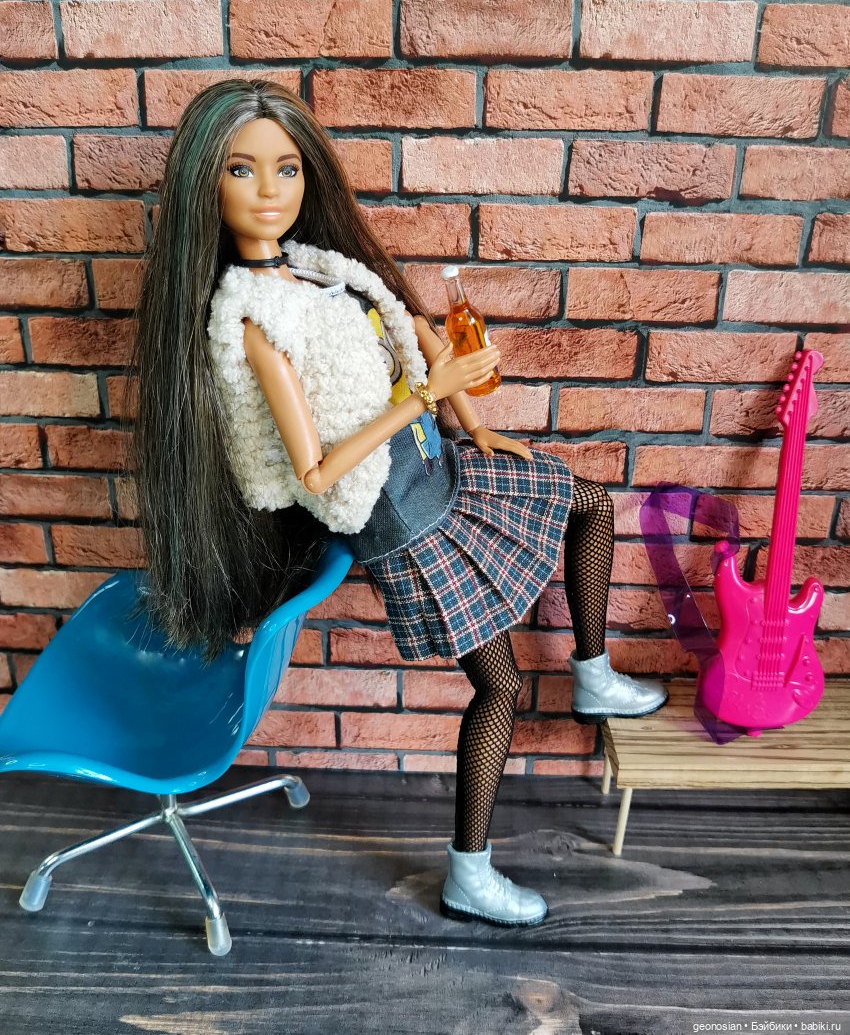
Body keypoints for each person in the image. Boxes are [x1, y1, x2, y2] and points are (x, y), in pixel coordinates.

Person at [127, 78, 668, 930]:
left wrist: (473, 421)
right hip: (406, 521)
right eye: (242, 169)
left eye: (286, 168)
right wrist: (429, 395)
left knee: (591, 502)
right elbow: (314, 472)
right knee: (500, 686)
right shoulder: (251, 317)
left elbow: (407, 327)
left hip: (442, 467)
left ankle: (594, 676)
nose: (269, 190)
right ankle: (469, 872)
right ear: (207, 184)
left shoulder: (318, 267)